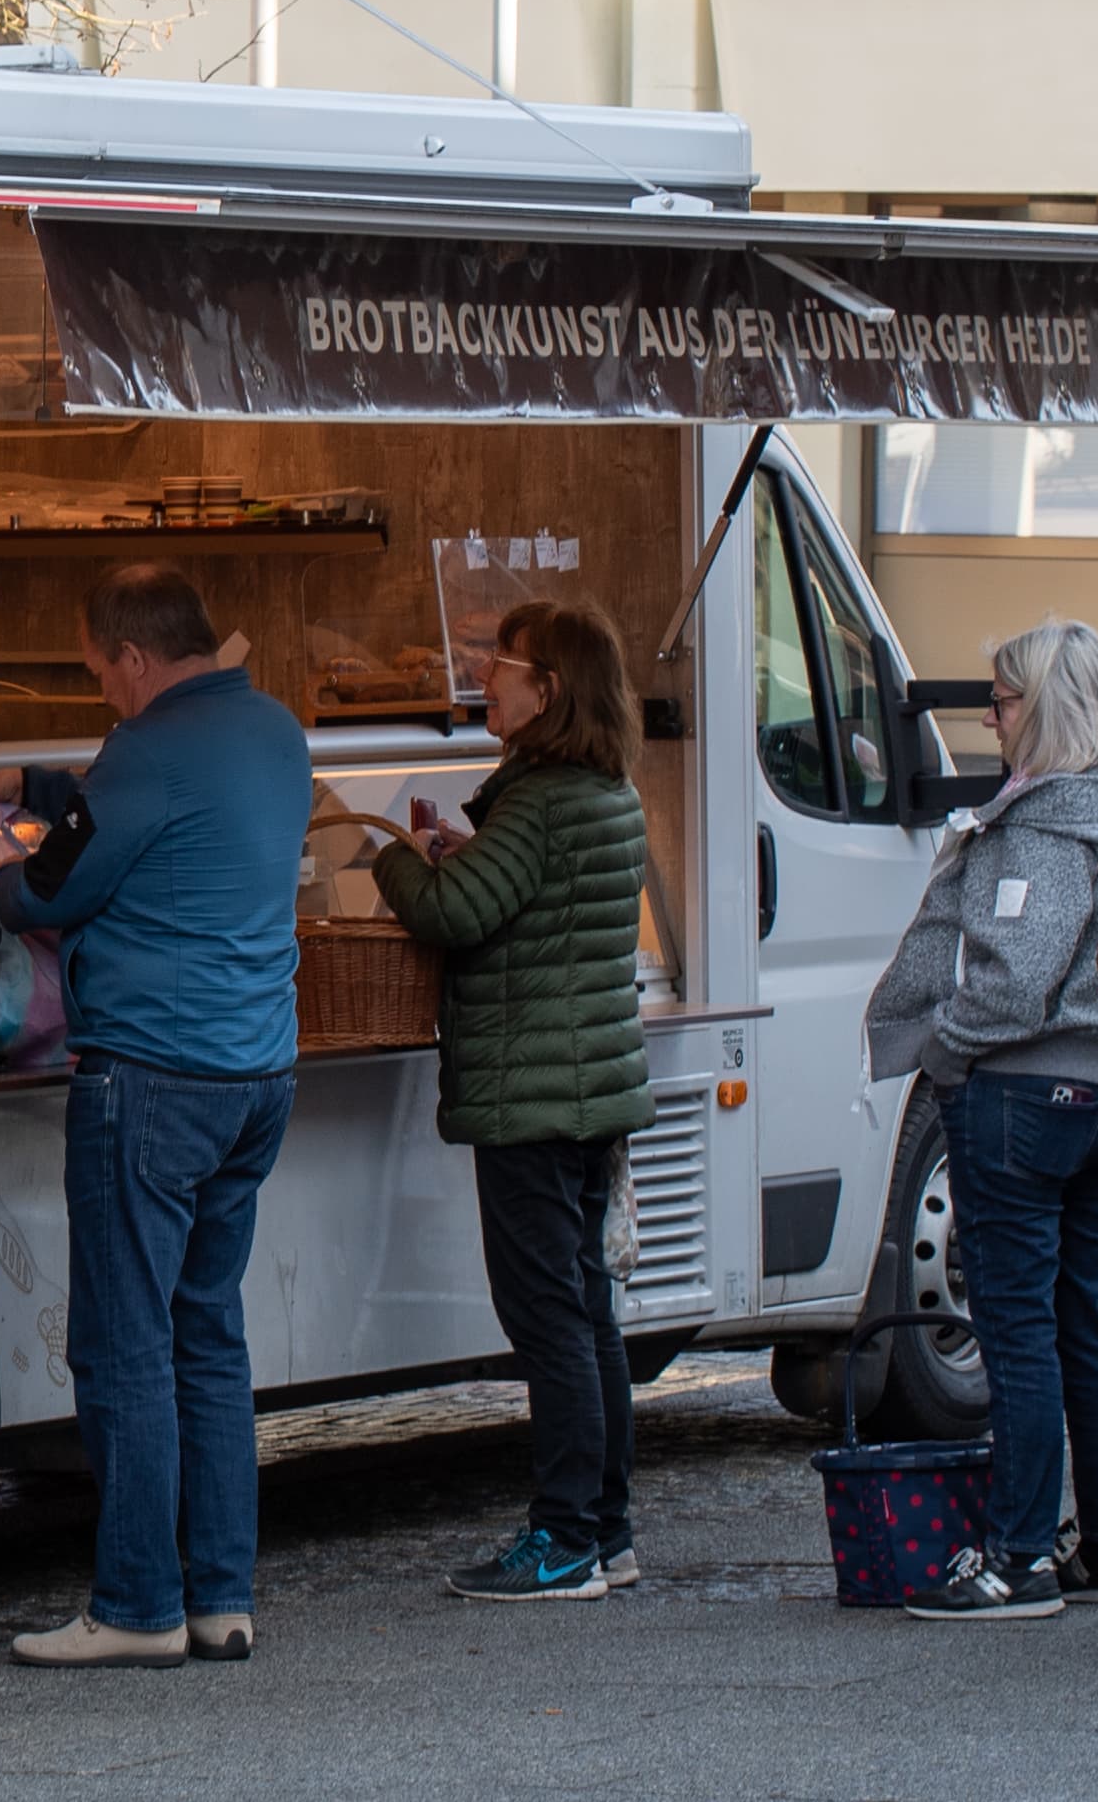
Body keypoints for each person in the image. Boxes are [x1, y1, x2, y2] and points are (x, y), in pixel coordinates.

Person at [0, 566, 310, 1670]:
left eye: (100, 669)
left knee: (122, 1347)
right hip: (256, 1073)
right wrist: (41, 779)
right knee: (207, 1336)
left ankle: (137, 1607)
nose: (103, 687)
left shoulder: (146, 749)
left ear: (136, 659)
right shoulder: (276, 732)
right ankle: (220, 1599)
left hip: (151, 1074)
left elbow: (50, 893)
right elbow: (146, 812)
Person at [865, 620, 1098, 1621]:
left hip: (1021, 1095)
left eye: (997, 699)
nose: (986, 715)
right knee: (1083, 1319)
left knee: (1017, 1330)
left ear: (1038, 708)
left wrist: (943, 1048)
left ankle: (1015, 1556)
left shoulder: (1039, 824)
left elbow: (1014, 977)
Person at [372, 600, 657, 1603]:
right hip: (586, 1088)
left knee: (548, 1319)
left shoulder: (536, 800)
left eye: (506, 663)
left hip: (534, 1098)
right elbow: (517, 900)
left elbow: (456, 911)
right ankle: (606, 1529)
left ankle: (566, 1537)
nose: (486, 674)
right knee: (586, 1315)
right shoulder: (600, 790)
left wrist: (396, 858)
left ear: (550, 690)